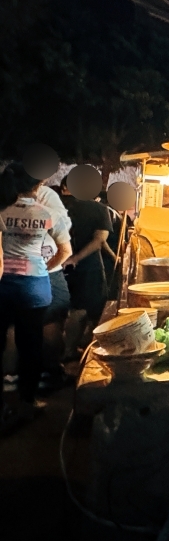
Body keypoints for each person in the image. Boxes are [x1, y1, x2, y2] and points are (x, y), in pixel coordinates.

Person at [1, 164, 73, 419]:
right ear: (39, 185)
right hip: (34, 286)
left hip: (4, 284)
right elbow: (66, 252)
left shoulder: (2, 211)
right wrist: (45, 266)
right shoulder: (46, 213)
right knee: (30, 344)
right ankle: (27, 399)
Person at [60, 176, 113, 347]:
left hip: (53, 265)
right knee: (84, 310)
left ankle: (54, 356)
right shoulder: (98, 209)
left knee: (56, 313)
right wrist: (75, 258)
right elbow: (99, 241)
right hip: (87, 267)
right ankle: (71, 351)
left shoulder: (53, 206)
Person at [36, 185, 73, 391]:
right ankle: (51, 372)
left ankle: (12, 377)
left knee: (15, 325)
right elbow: (65, 249)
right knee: (51, 321)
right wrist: (46, 268)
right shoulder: (46, 199)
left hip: (12, 276)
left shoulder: (6, 202)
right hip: (47, 273)